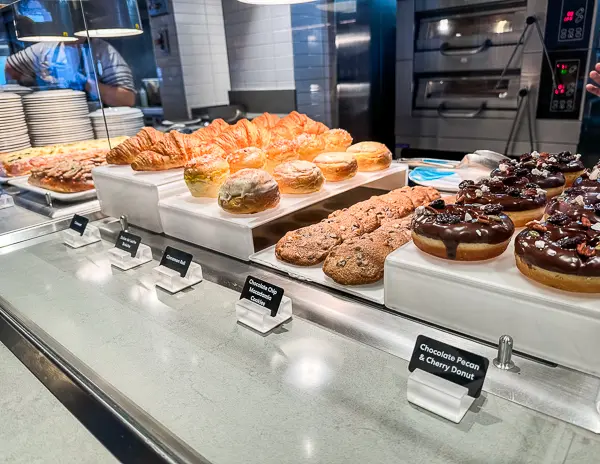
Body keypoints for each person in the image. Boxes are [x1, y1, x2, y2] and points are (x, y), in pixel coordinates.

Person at [5, 38, 135, 107]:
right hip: (47, 126)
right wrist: (27, 80)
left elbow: (127, 99)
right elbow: (6, 70)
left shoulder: (103, 51)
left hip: (95, 126)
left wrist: (85, 82)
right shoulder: (42, 50)